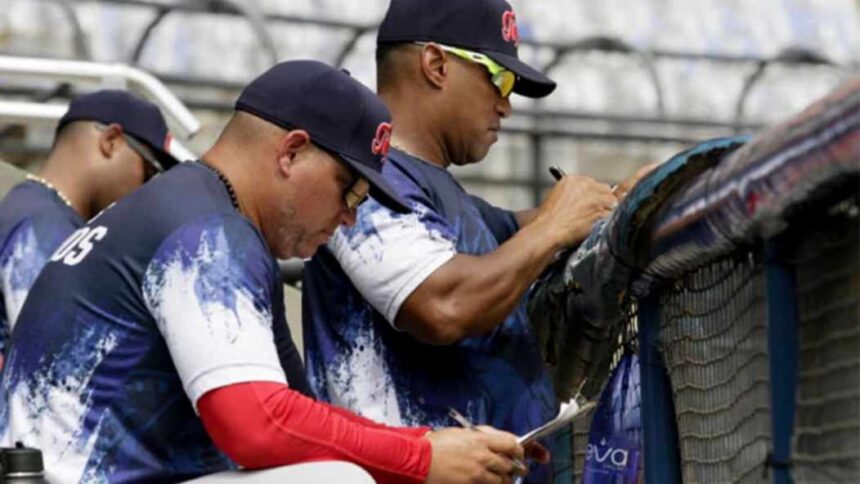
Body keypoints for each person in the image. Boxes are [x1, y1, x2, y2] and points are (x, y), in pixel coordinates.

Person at [0, 60, 535, 484]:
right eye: (349, 189)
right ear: (292, 152)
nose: (351, 215)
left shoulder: (195, 207)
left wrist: (441, 447)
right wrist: (421, 459)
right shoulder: (208, 230)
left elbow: (296, 412)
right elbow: (257, 425)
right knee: (334, 482)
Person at [301, 0, 648, 480]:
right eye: (498, 81)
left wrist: (621, 202)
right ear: (437, 65)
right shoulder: (366, 184)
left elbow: (521, 234)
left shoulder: (439, 192)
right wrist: (553, 224)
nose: (506, 105)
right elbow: (442, 305)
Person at [0, 90, 178, 368]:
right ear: (110, 141)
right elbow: (57, 359)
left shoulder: (32, 207)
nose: (146, 189)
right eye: (150, 171)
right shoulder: (44, 226)